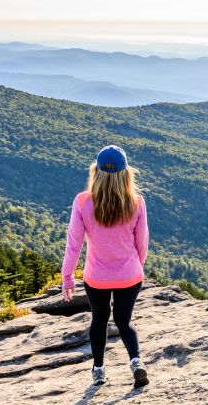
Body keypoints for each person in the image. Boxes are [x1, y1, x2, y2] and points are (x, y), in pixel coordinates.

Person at [61, 145, 149, 387]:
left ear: (95, 172)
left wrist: (67, 276)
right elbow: (142, 243)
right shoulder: (137, 203)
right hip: (130, 276)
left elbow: (74, 244)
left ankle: (98, 370)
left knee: (99, 321)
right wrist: (135, 267)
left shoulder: (82, 202)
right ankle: (136, 362)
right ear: (126, 174)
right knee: (124, 321)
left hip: (96, 277)